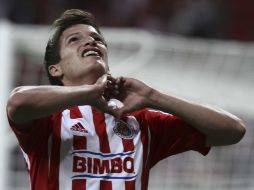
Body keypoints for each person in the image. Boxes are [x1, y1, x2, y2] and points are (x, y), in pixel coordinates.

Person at [6, 9, 245, 190]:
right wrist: (89, 93)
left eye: (97, 39)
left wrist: (154, 97)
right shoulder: (47, 119)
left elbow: (233, 130)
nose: (91, 41)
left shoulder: (140, 121)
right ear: (55, 69)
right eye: (74, 39)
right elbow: (17, 102)